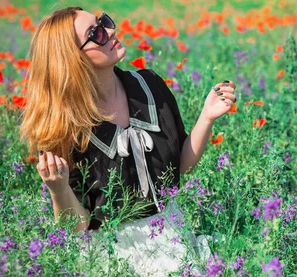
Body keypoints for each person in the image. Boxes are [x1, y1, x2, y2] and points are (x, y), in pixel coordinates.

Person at [18, 6, 236, 276]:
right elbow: (78, 227)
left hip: (170, 235)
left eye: (103, 22)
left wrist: (207, 116)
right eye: (95, 33)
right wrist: (58, 188)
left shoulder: (148, 86)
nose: (110, 31)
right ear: (73, 58)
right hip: (110, 252)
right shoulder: (63, 129)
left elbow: (180, 169)